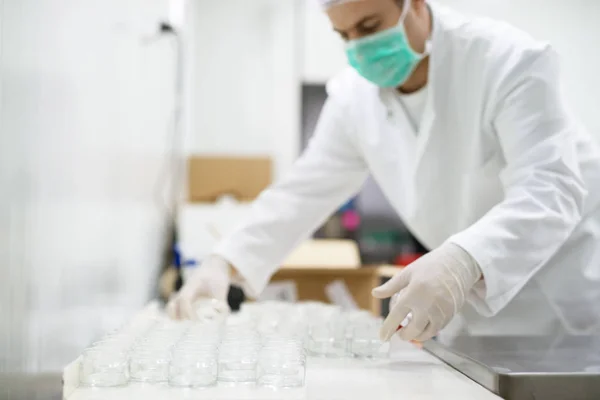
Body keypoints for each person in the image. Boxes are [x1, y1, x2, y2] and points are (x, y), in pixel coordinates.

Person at [168, 0, 600, 342]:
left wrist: (464, 259)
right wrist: (225, 261)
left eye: (370, 27)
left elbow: (552, 188)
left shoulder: (508, 62)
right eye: (344, 35)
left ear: (415, 3)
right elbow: (303, 191)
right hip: (477, 317)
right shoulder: (353, 99)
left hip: (564, 305)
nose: (358, 47)